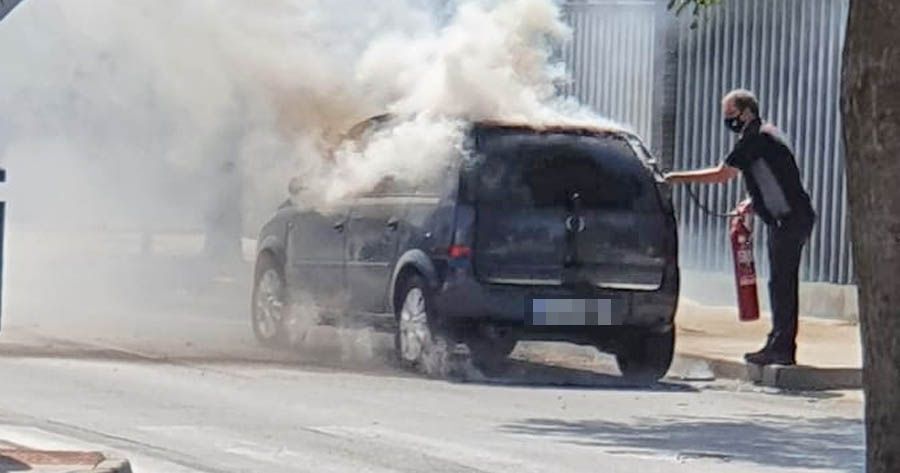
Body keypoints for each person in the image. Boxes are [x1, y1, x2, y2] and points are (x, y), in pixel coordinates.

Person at [665, 89, 816, 366]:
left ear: (746, 112)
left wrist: (675, 178)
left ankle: (782, 347)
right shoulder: (768, 133)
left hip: (789, 219)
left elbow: (722, 174)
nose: (728, 121)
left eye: (731, 115)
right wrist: (751, 201)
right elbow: (774, 174)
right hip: (791, 217)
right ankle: (778, 342)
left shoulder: (753, 138)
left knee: (782, 284)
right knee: (780, 283)